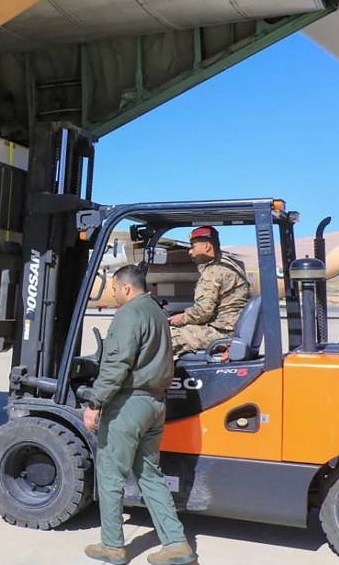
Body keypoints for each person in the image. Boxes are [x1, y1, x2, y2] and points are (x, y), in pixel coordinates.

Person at [82, 265, 196, 565]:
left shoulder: (129, 314)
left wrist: (95, 402)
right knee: (149, 475)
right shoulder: (157, 313)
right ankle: (176, 544)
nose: (116, 295)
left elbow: (117, 363)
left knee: (110, 474)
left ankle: (112, 546)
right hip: (155, 405)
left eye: (116, 290)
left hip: (128, 405)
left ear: (126, 288)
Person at [168, 225, 250, 357]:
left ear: (207, 246)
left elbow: (203, 312)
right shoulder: (230, 264)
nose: (190, 252)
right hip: (231, 329)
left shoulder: (214, 271)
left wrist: (181, 318)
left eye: (193, 246)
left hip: (221, 333)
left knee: (163, 338)